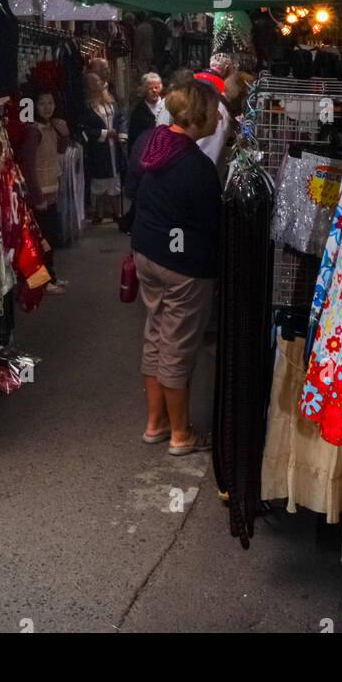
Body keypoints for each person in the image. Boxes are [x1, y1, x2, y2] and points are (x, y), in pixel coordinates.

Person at [126, 77, 222, 455]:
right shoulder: (196, 165)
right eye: (214, 111)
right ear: (200, 115)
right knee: (178, 345)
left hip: (147, 252)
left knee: (156, 336)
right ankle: (181, 435)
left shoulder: (150, 143)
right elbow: (212, 222)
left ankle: (156, 423)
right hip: (182, 265)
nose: (219, 118)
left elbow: (133, 189)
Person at [17, 88, 70, 294]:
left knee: (51, 237)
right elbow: (28, 166)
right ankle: (42, 281)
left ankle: (51, 276)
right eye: (42, 103)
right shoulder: (33, 131)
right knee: (43, 239)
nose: (47, 107)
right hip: (40, 194)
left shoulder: (51, 128)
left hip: (51, 191)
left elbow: (61, 150)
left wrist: (64, 133)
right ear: (34, 106)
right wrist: (36, 196)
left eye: (50, 103)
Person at [81, 70, 126, 222]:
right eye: (94, 83)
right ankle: (99, 212)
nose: (99, 85)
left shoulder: (110, 102)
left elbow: (120, 119)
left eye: (99, 82)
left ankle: (117, 212)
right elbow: (86, 129)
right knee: (100, 180)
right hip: (99, 149)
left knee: (115, 178)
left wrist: (121, 134)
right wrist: (105, 133)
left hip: (114, 147)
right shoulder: (87, 107)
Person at [128, 72, 164, 148]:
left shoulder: (168, 106)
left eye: (156, 87)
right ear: (144, 90)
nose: (154, 90)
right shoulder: (138, 112)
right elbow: (133, 139)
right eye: (150, 88)